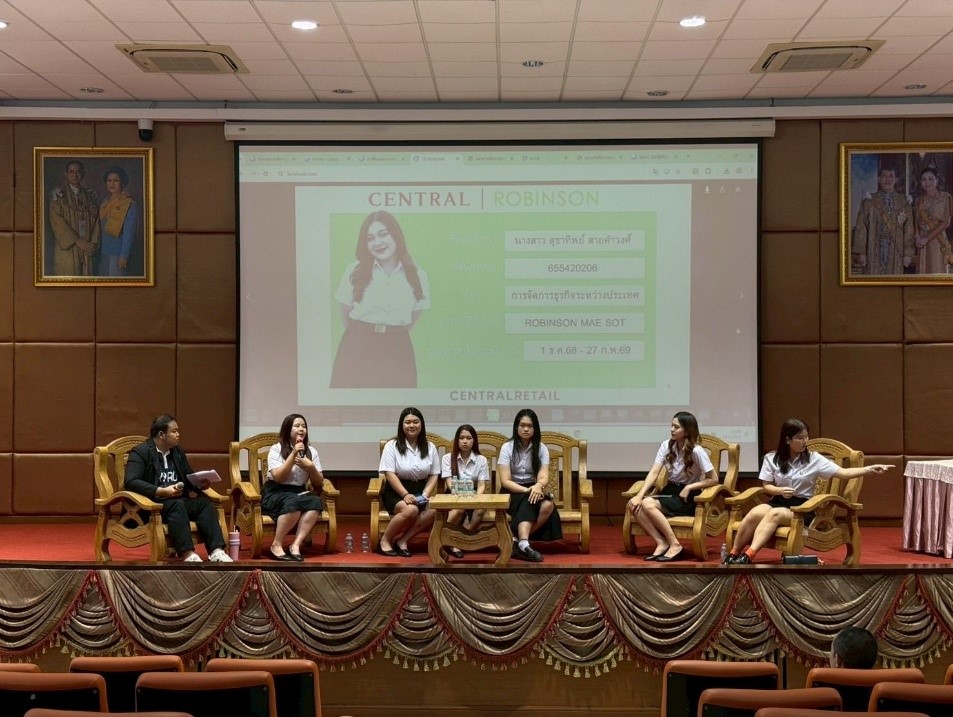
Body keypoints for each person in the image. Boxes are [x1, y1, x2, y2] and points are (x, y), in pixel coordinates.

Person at [725, 418, 892, 564]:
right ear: (788, 440)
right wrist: (779, 490)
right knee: (754, 513)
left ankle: (748, 555)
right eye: (800, 438)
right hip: (778, 500)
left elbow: (843, 473)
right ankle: (733, 554)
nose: (805, 441)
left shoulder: (814, 459)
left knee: (774, 514)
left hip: (803, 508)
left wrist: (869, 469)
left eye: (806, 437)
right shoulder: (772, 458)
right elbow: (766, 486)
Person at [330, 211, 430, 388]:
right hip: (357, 347)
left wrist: (391, 333)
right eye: (370, 238)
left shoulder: (417, 275)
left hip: (398, 349)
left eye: (383, 234)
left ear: (396, 236)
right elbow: (346, 315)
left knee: (398, 400)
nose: (377, 243)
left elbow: (413, 317)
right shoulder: (354, 271)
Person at [124, 414, 232, 563]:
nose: (178, 434)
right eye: (174, 431)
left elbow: (188, 478)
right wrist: (161, 491)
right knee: (177, 505)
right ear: (161, 435)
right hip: (151, 505)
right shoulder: (141, 452)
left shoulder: (177, 452)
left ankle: (216, 551)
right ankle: (187, 554)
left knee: (204, 503)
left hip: (176, 501)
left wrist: (199, 484)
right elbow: (131, 482)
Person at [626, 412, 718, 562]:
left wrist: (691, 486)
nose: (671, 429)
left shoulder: (697, 451)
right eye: (671, 426)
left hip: (689, 496)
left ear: (687, 431)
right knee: (634, 505)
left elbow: (713, 479)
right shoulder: (666, 445)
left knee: (647, 504)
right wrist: (638, 495)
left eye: (676, 427)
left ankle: (675, 544)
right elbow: (654, 472)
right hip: (671, 491)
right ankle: (661, 543)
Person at [498, 408, 561, 562]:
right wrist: (528, 490)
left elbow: (543, 476)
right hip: (511, 491)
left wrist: (538, 486)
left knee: (548, 505)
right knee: (530, 500)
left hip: (533, 488)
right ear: (516, 427)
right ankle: (524, 544)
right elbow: (505, 480)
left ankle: (517, 541)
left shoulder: (541, 448)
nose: (526, 429)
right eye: (522, 425)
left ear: (535, 428)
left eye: (530, 426)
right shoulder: (507, 447)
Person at [262, 413, 325, 562]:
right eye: (297, 426)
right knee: (294, 503)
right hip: (275, 491)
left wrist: (310, 466)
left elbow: (318, 482)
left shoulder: (311, 452)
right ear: (287, 430)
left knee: (315, 502)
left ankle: (295, 545)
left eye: (304, 426)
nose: (301, 429)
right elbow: (278, 477)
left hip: (298, 491)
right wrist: (293, 454)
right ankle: (276, 544)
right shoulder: (276, 449)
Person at [377, 407, 440, 557]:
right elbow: (389, 474)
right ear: (402, 425)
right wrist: (405, 495)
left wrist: (425, 494)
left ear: (421, 424)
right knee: (411, 510)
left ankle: (403, 540)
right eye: (407, 422)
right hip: (396, 491)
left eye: (415, 422)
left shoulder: (430, 447)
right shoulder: (391, 446)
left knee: (437, 509)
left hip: (420, 490)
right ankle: (385, 540)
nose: (412, 425)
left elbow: (434, 474)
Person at [851, 166, 915, 275]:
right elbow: (861, 228)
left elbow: (909, 230)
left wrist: (908, 254)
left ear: (896, 179)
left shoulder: (904, 203)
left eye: (891, 176)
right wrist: (861, 252)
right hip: (873, 247)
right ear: (879, 179)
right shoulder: (869, 202)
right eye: (884, 176)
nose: (887, 179)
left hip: (896, 249)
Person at [440, 424, 490, 558]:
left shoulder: (481, 459)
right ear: (457, 440)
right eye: (461, 438)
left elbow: (481, 485)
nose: (465, 441)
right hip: (454, 492)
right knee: (459, 509)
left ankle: (458, 541)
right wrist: (461, 495)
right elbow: (449, 483)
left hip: (474, 494)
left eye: (468, 438)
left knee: (480, 509)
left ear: (474, 441)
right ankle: (441, 537)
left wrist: (475, 499)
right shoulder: (448, 458)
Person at [48, 159, 100, 276]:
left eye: (78, 172)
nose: (75, 175)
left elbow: (97, 221)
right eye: (71, 172)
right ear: (66, 174)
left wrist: (92, 245)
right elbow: (57, 221)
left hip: (87, 247)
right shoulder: (58, 197)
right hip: (68, 249)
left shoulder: (90, 196)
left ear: (83, 174)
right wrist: (77, 240)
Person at [98, 165, 140, 277]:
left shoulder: (129, 204)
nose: (112, 184)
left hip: (118, 255)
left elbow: (129, 233)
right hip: (103, 254)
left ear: (123, 183)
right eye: (109, 180)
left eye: (116, 181)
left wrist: (124, 256)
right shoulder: (104, 203)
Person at [913, 167, 953, 275]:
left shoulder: (946, 197)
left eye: (931, 179)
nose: (927, 182)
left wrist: (927, 238)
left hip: (937, 239)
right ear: (920, 182)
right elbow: (916, 221)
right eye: (924, 179)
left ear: (937, 180)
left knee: (936, 270)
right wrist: (917, 237)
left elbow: (946, 222)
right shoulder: (918, 200)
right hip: (921, 241)